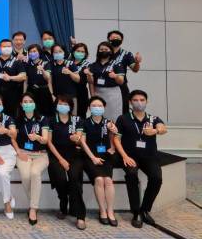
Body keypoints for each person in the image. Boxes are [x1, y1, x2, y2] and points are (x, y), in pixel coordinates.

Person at [114, 90, 167, 228]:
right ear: (130, 102)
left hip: (149, 156)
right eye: (136, 100)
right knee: (131, 174)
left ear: (147, 101)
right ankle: (136, 211)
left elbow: (163, 128)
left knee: (156, 178)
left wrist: (155, 131)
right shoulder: (123, 118)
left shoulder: (153, 119)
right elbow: (116, 139)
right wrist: (124, 156)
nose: (139, 103)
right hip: (130, 156)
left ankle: (145, 209)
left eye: (142, 100)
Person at [47, 95, 86, 229]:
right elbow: (49, 143)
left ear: (70, 106)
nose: (63, 106)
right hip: (56, 155)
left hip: (74, 155)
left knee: (75, 179)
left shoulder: (77, 120)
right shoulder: (51, 120)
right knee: (60, 179)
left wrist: (77, 139)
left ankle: (80, 216)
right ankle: (63, 202)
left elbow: (80, 139)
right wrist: (61, 159)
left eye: (66, 104)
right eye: (60, 103)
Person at [79, 96, 118, 226]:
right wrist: (93, 158)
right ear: (89, 108)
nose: (97, 108)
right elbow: (82, 142)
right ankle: (102, 210)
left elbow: (113, 137)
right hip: (90, 157)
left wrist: (112, 146)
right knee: (99, 179)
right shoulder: (84, 123)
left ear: (104, 107)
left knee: (108, 180)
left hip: (106, 156)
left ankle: (110, 211)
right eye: (94, 106)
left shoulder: (108, 122)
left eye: (100, 106)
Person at [12, 93, 49, 225]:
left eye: (30, 101)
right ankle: (34, 204)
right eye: (25, 102)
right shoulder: (17, 120)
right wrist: (18, 152)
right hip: (23, 153)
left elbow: (45, 140)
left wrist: (38, 137)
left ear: (34, 103)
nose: (28, 104)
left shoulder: (43, 119)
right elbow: (12, 139)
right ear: (21, 105)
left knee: (34, 173)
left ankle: (33, 209)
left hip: (40, 154)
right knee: (26, 176)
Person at [85, 41, 125, 121]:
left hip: (113, 93)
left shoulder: (117, 64)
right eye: (101, 49)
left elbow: (121, 81)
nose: (103, 51)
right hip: (98, 92)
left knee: (113, 116)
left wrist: (115, 76)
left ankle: (113, 128)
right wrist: (93, 96)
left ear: (111, 51)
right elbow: (91, 82)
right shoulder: (93, 65)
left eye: (106, 49)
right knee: (98, 115)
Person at [0, 39, 26, 117]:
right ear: (0, 47)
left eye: (9, 46)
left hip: (12, 93)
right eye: (4, 46)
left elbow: (23, 76)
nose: (7, 48)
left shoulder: (16, 61)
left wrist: (10, 78)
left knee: (11, 115)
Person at [107, 30, 142, 114]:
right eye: (113, 37)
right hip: (105, 87)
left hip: (121, 86)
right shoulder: (104, 53)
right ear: (108, 39)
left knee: (123, 110)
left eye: (118, 38)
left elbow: (135, 69)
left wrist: (137, 62)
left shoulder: (126, 54)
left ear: (121, 41)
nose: (115, 39)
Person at [24, 44, 54, 116]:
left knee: (45, 112)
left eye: (34, 51)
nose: (32, 53)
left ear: (39, 52)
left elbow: (48, 77)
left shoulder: (46, 63)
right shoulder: (27, 64)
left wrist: (43, 70)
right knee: (33, 112)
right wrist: (24, 93)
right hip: (31, 91)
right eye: (30, 51)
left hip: (43, 91)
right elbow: (25, 81)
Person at [50, 44, 81, 113]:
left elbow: (78, 79)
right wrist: (52, 94)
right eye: (55, 52)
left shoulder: (70, 63)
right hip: (57, 97)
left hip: (71, 96)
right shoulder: (51, 64)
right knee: (58, 116)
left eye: (60, 51)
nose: (58, 53)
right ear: (52, 54)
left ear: (64, 52)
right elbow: (49, 81)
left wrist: (70, 72)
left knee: (73, 116)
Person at [70, 43, 91, 119]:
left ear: (85, 53)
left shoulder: (88, 65)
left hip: (81, 93)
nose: (80, 53)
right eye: (78, 51)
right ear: (73, 52)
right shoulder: (68, 63)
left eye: (82, 52)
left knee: (81, 116)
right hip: (68, 92)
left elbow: (90, 81)